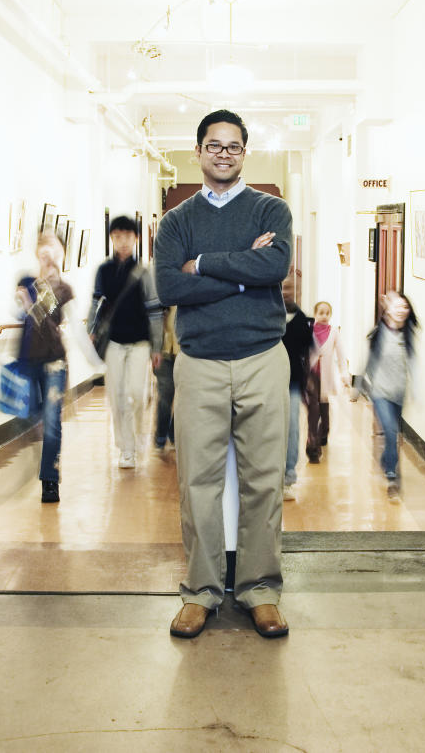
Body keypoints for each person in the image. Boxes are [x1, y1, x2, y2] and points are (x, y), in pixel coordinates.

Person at [154, 109, 293, 640]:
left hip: (262, 358)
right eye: (215, 145)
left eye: (234, 146)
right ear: (199, 151)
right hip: (200, 364)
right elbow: (170, 288)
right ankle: (201, 593)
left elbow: (273, 269)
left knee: (264, 480)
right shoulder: (176, 222)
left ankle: (261, 591)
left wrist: (204, 263)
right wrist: (241, 275)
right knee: (197, 483)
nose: (224, 154)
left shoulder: (271, 209)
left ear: (244, 152)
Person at [88, 215, 163, 469]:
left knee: (136, 394)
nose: (123, 242)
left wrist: (157, 346)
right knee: (117, 396)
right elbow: (96, 302)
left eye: (128, 237)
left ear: (136, 239)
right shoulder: (104, 270)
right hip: (114, 343)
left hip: (140, 342)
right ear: (111, 239)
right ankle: (126, 448)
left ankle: (137, 435)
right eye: (118, 237)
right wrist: (91, 329)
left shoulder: (144, 272)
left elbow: (154, 310)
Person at [15, 231, 74, 503]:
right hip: (29, 361)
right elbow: (22, 319)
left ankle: (49, 480)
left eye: (52, 245)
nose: (47, 250)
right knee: (32, 419)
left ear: (59, 251)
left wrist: (33, 304)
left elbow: (48, 323)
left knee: (51, 423)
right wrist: (26, 303)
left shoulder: (62, 288)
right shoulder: (26, 283)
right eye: (42, 245)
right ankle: (46, 461)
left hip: (53, 362)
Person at [363, 291, 418, 503]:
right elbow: (368, 362)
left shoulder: (408, 335)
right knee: (390, 431)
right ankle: (393, 479)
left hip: (398, 392)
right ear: (387, 309)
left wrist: (416, 391)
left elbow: (413, 364)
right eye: (398, 306)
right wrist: (358, 387)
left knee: (392, 433)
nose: (402, 310)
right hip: (380, 392)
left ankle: (387, 461)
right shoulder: (378, 333)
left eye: (405, 307)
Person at [305, 301, 350, 463]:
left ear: (330, 315)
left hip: (326, 374)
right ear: (315, 314)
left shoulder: (334, 333)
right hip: (311, 375)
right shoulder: (308, 330)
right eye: (321, 313)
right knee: (313, 407)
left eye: (327, 313)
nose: (324, 316)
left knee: (324, 407)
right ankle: (313, 442)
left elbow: (341, 354)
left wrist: (345, 373)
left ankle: (324, 432)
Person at [281, 276, 313, 500]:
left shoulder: (303, 321)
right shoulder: (268, 317)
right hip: (267, 382)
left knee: (292, 427)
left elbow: (308, 354)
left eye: (290, 288)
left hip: (292, 383)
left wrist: (308, 382)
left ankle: (288, 475)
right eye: (283, 288)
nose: (286, 292)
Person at [153, 306, 178, 449]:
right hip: (163, 349)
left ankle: (174, 433)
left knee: (185, 397)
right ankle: (160, 435)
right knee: (165, 393)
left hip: (186, 349)